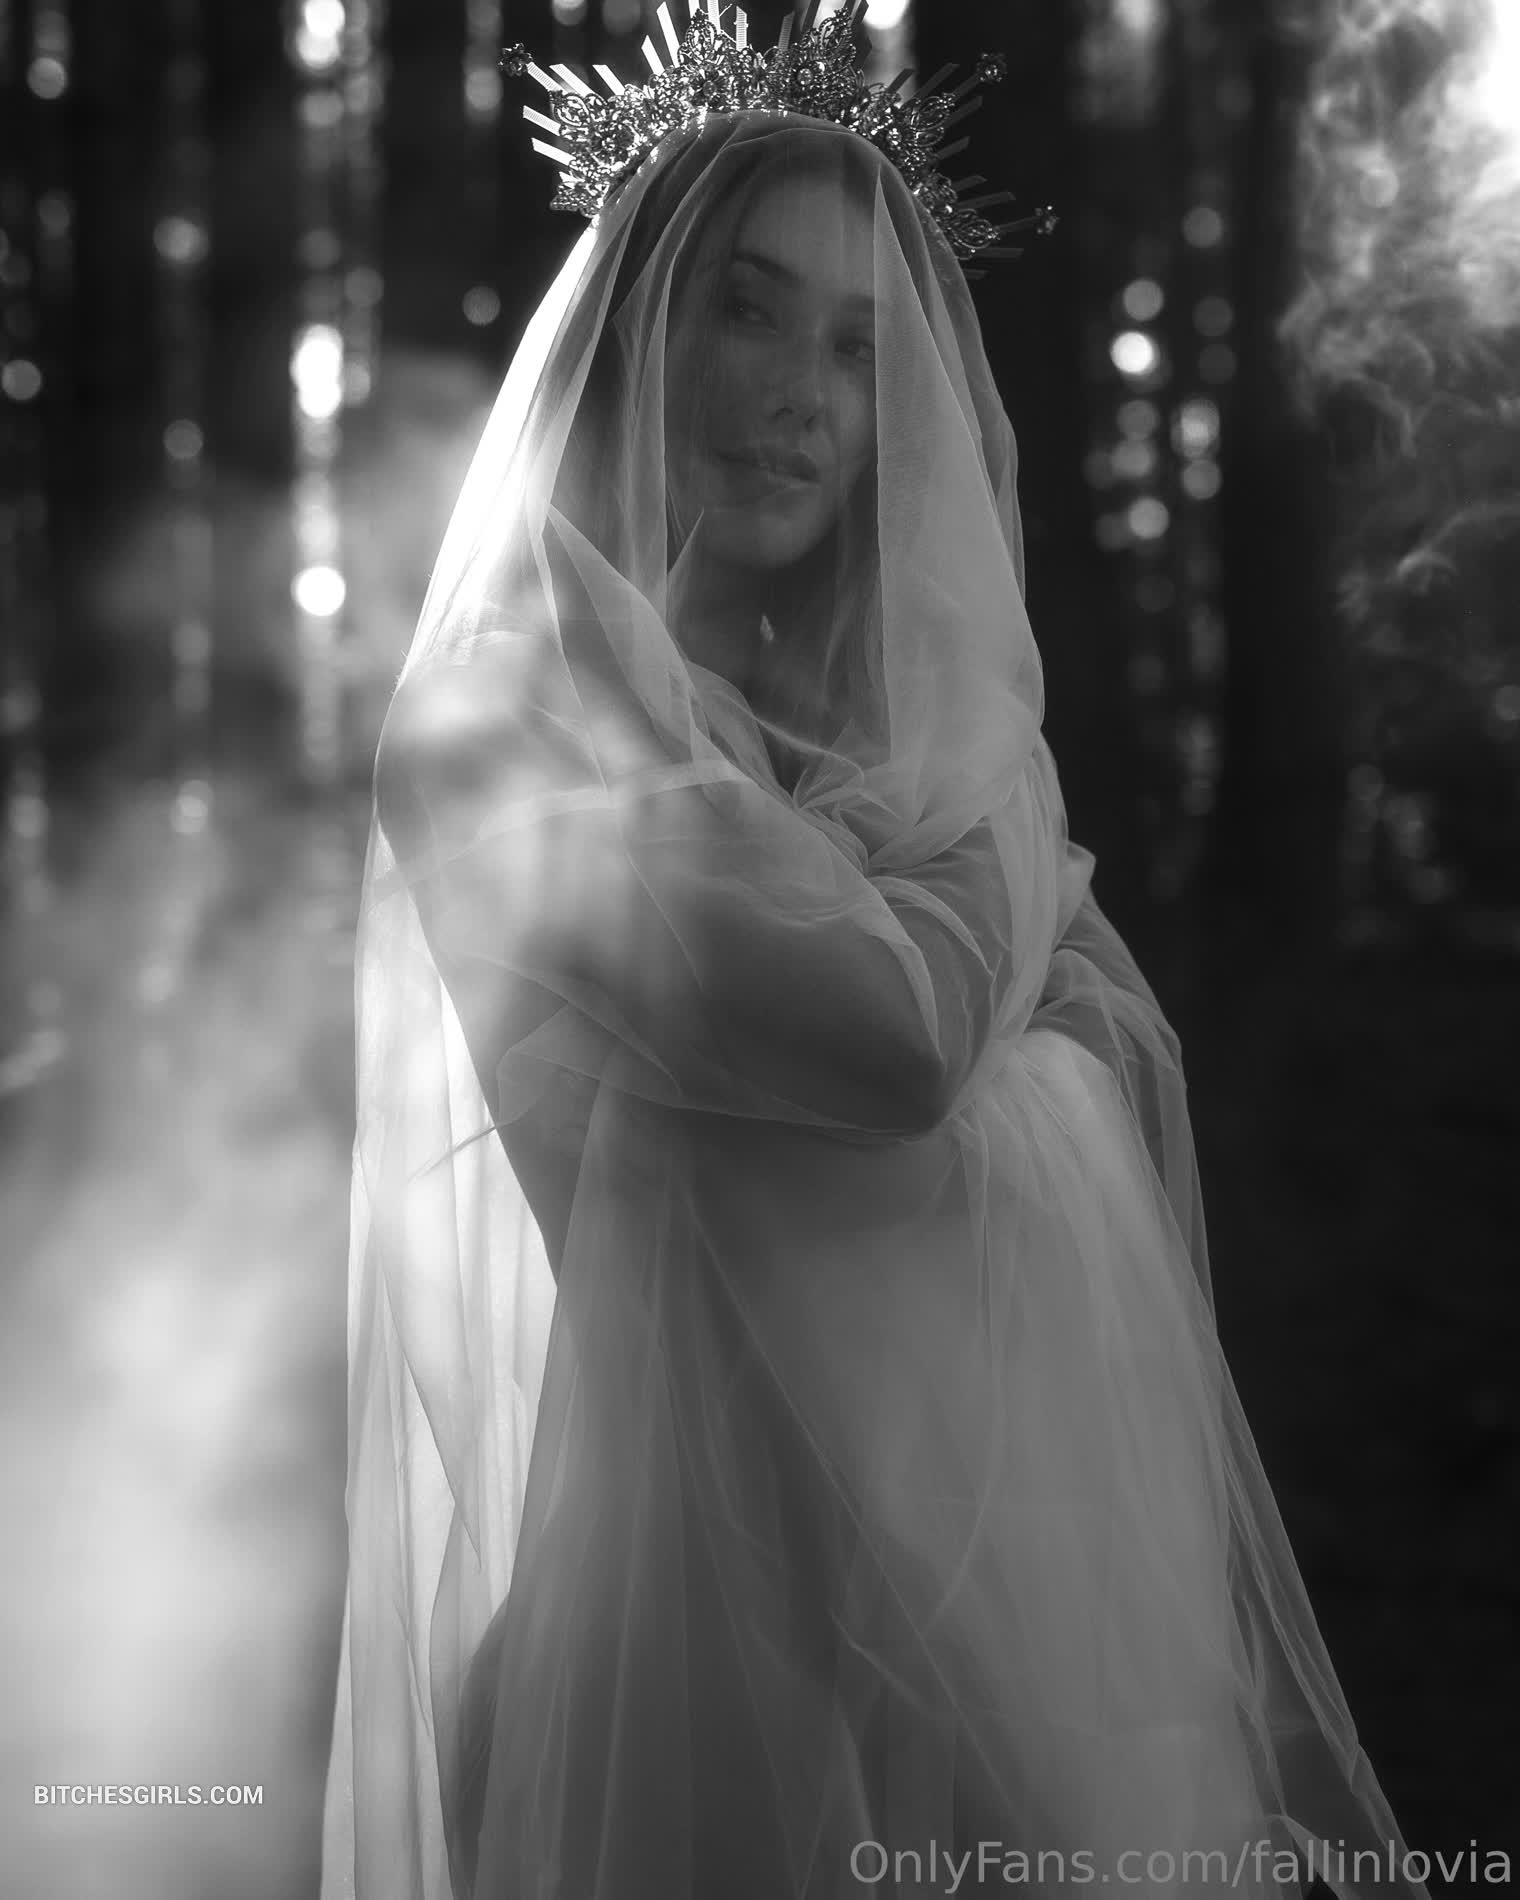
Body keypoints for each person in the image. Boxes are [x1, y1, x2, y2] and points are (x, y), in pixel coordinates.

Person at [320, 100, 1428, 1900]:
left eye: (857, 346)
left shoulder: (890, 756)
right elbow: (897, 1043)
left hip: (993, 1652)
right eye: (748, 309)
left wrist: (992, 876)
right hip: (689, 1658)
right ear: (635, 335)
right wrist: (1013, 840)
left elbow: (1071, 1026)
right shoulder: (500, 719)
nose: (801, 396)